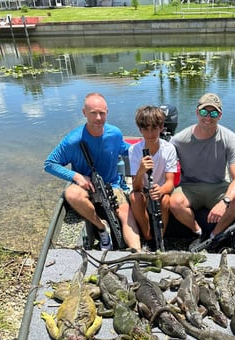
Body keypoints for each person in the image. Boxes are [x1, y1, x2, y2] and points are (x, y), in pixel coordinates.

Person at [44, 92, 141, 251]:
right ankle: (101, 228)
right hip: (86, 187)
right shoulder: (73, 140)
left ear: (107, 113)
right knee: (71, 194)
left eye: (102, 113)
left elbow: (127, 150)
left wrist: (151, 149)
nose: (98, 118)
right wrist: (76, 176)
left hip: (112, 186)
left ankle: (137, 253)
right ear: (84, 113)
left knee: (126, 214)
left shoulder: (114, 134)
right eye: (93, 113)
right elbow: (49, 164)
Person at [169, 92, 235, 246]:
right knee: (175, 202)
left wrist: (225, 202)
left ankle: (214, 235)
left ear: (220, 115)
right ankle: (197, 231)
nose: (208, 117)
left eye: (214, 113)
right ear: (197, 112)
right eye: (204, 112)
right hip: (190, 187)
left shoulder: (229, 138)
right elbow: (164, 161)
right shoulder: (179, 139)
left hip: (217, 187)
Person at [128, 105, 178, 247]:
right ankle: (148, 234)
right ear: (140, 130)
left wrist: (160, 190)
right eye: (146, 129)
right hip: (144, 189)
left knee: (165, 200)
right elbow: (136, 187)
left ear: (161, 127)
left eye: (154, 128)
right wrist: (141, 171)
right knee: (134, 198)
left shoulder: (169, 149)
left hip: (160, 188)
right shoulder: (134, 150)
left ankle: (160, 236)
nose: (150, 133)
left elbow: (170, 182)